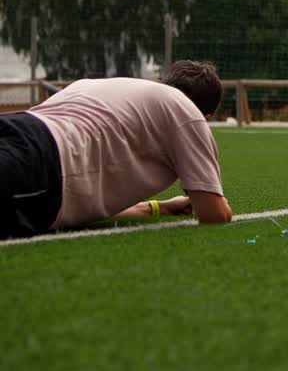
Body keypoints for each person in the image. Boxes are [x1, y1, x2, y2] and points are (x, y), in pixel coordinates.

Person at [0, 60, 234, 239]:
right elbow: (214, 215)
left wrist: (156, 208)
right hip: (42, 161)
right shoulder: (186, 111)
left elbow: (87, 205)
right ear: (206, 117)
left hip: (19, 128)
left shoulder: (104, 86)